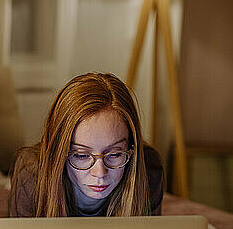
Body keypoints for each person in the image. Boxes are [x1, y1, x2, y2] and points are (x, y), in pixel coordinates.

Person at [9, 72, 164, 217]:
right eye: (81, 155)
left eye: (115, 154)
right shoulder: (31, 173)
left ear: (132, 148)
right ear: (58, 153)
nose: (100, 173)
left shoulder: (147, 168)